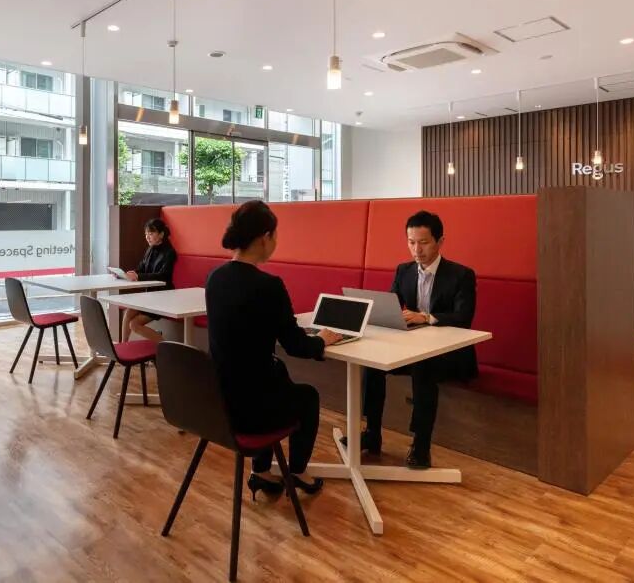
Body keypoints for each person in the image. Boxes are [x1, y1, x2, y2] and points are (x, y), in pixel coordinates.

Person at [205, 200, 342, 499]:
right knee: (307, 397)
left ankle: (262, 472)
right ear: (265, 237)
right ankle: (298, 472)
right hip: (253, 411)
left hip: (219, 403)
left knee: (271, 381)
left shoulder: (215, 278)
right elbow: (296, 345)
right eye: (275, 236)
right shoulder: (268, 286)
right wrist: (322, 340)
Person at [344, 210, 477, 469]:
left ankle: (421, 444)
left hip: (450, 354)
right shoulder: (404, 270)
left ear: (440, 241)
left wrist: (425, 317)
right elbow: (392, 304)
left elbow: (464, 318)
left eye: (423, 242)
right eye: (411, 242)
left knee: (424, 366)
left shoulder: (461, 275)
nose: (417, 250)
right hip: (412, 347)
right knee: (373, 363)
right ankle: (372, 433)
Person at [121, 218, 177, 344]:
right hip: (150, 296)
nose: (147, 237)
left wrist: (138, 276)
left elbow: (163, 275)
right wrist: (130, 274)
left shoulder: (170, 253)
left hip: (164, 297)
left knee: (134, 324)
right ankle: (122, 347)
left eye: (151, 234)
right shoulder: (150, 249)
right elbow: (141, 268)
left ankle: (166, 348)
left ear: (161, 234)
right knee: (128, 313)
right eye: (146, 234)